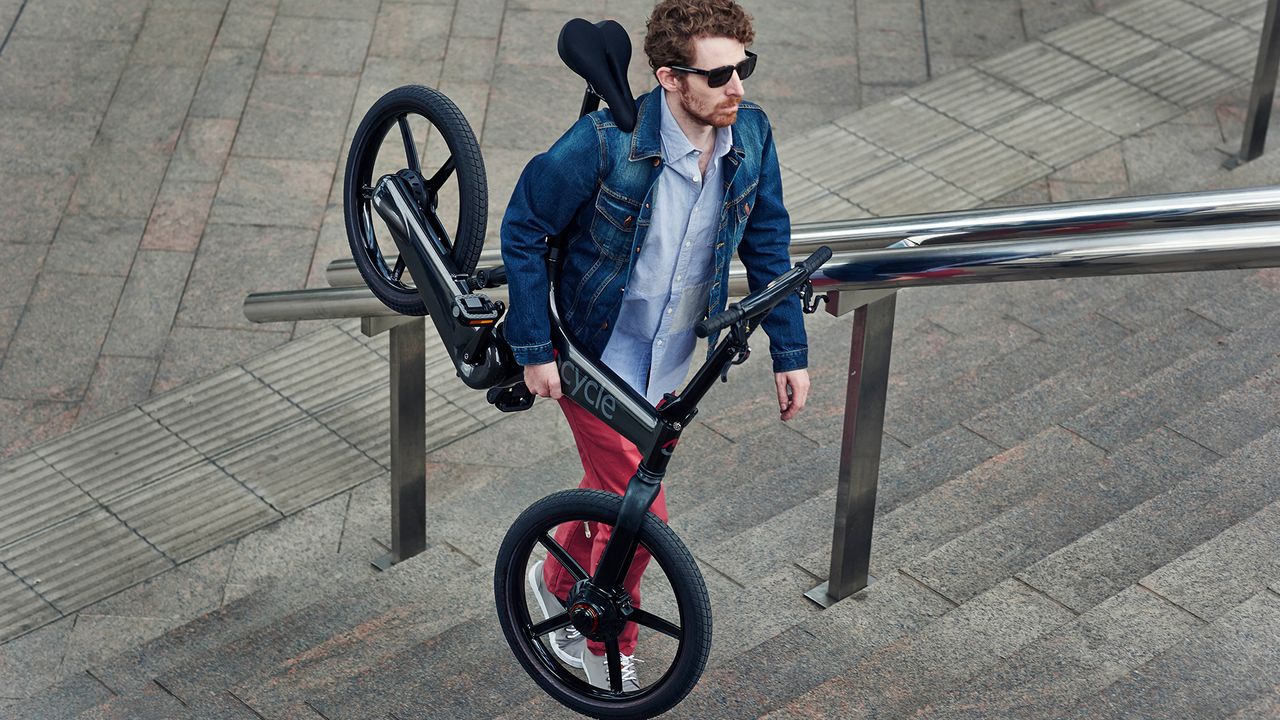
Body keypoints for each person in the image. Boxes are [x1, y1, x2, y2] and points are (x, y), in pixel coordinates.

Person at [499, 0, 810, 691]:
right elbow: (523, 227)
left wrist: (790, 353)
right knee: (642, 515)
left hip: (671, 363)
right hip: (595, 356)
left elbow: (768, 245)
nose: (738, 87)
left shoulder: (751, 135)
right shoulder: (605, 142)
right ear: (670, 78)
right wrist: (533, 347)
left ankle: (554, 578)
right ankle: (603, 637)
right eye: (719, 75)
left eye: (744, 68)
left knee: (615, 492)